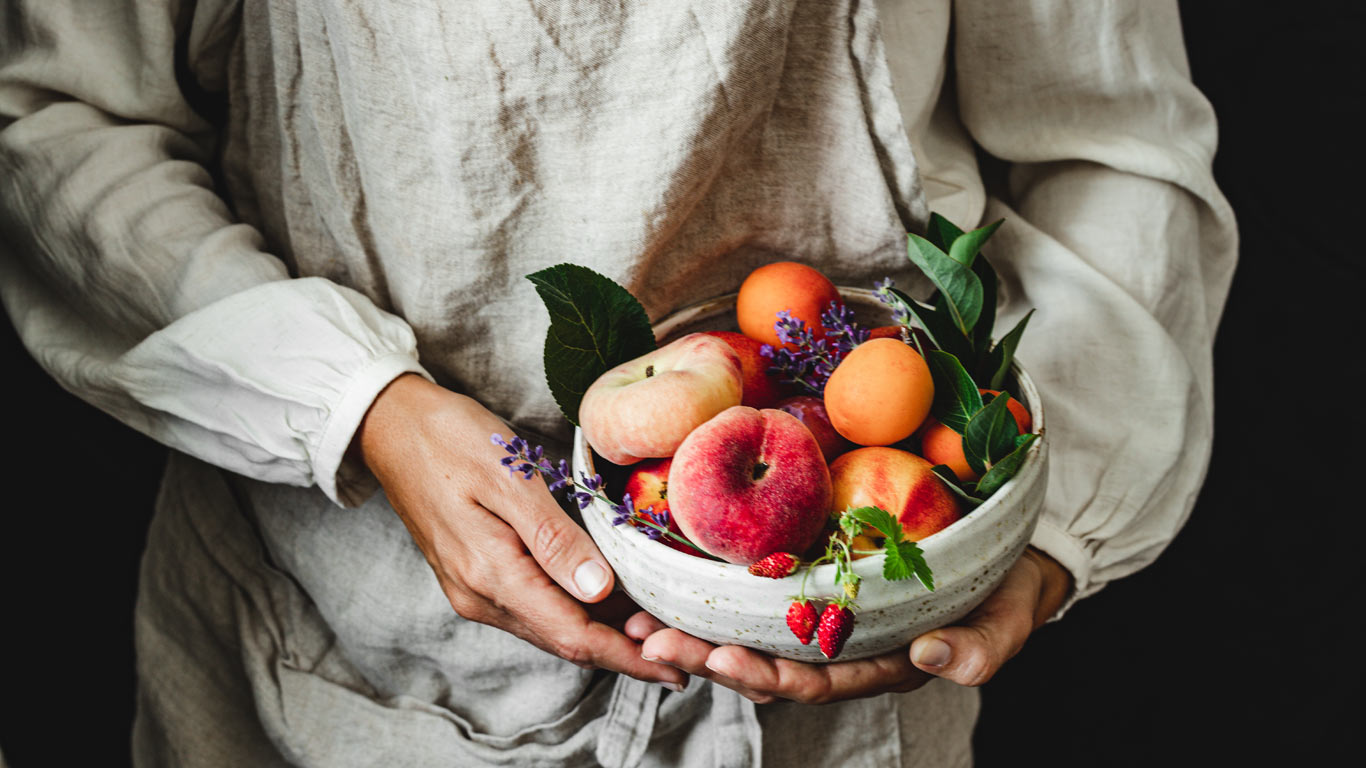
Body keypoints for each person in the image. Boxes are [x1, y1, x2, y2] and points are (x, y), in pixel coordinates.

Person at [0, 1, 1236, 765]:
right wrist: (359, 407)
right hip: (354, 672)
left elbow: (1106, 141)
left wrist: (1043, 531)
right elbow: (61, 118)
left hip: (868, 651)